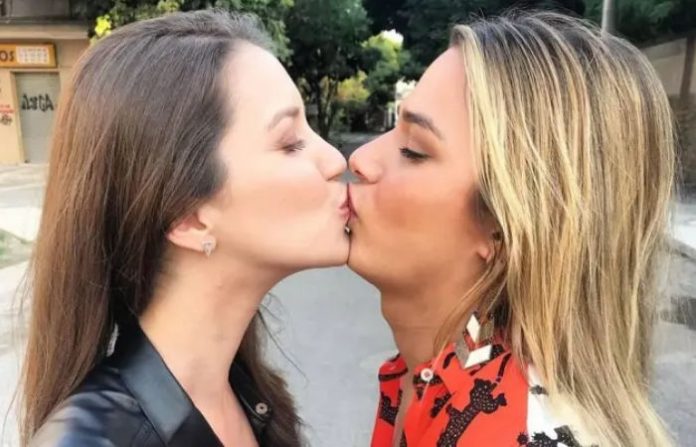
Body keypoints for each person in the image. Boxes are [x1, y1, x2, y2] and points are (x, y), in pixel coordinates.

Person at [20, 10, 350, 447]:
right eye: (290, 143)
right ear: (188, 216)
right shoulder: (90, 440)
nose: (337, 161)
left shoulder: (248, 394)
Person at [347, 11, 675, 447]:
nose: (358, 160)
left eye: (412, 150)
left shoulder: (514, 431)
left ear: (503, 229)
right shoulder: (429, 374)